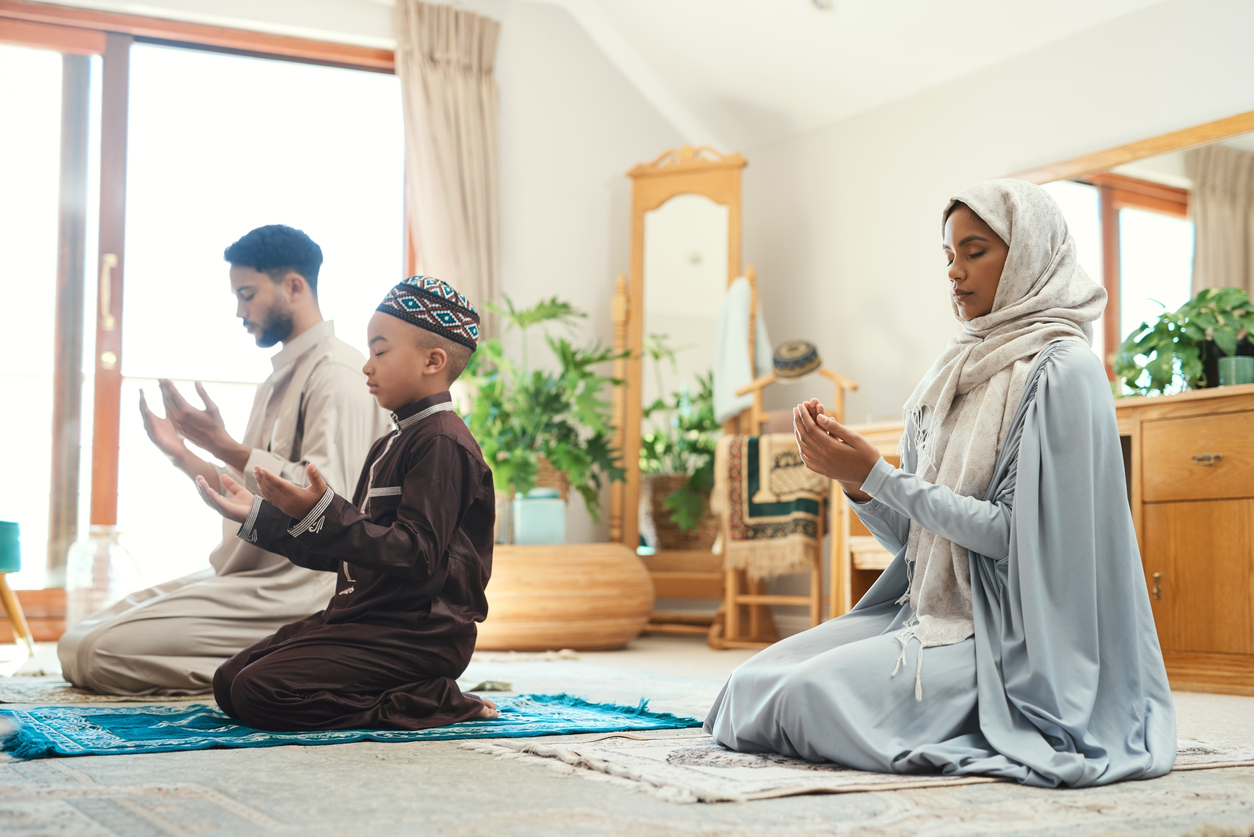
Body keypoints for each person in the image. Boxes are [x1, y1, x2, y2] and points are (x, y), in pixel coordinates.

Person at [704, 179, 1176, 787]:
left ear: (1030, 252)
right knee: (746, 689)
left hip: (1010, 635)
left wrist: (878, 474)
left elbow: (1011, 538)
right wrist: (859, 484)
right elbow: (916, 542)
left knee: (805, 700)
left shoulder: (1065, 372)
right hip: (924, 613)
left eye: (975, 250)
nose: (955, 271)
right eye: (949, 256)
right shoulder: (949, 374)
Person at [58, 225, 391, 695]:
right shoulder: (277, 380)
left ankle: (278, 669)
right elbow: (247, 490)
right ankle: (272, 661)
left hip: (298, 586)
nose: (239, 311)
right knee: (75, 641)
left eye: (247, 294)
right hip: (246, 573)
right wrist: (182, 454)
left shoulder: (337, 374)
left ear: (294, 286)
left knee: (96, 655)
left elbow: (325, 505)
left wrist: (223, 446)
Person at [196, 275, 497, 731]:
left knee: (258, 691)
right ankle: (402, 692)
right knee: (229, 682)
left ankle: (428, 702)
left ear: (433, 361)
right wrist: (258, 516)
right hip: (363, 619)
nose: (367, 367)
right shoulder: (389, 445)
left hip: (416, 634)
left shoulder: (443, 442)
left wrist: (326, 510)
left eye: (379, 351)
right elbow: (351, 552)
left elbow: (416, 554)